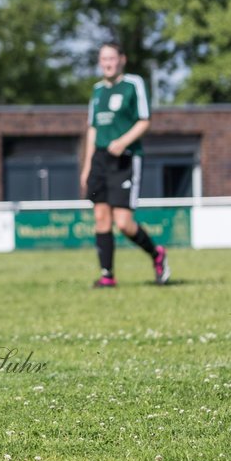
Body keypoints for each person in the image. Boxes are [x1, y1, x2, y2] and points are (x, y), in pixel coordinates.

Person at [80, 41, 169, 288]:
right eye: (103, 59)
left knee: (123, 222)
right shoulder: (97, 91)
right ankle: (107, 275)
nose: (107, 63)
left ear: (122, 59)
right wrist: (87, 165)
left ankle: (157, 254)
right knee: (100, 216)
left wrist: (123, 141)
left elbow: (144, 120)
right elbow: (92, 128)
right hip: (99, 159)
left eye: (111, 58)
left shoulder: (133, 85)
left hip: (125, 159)